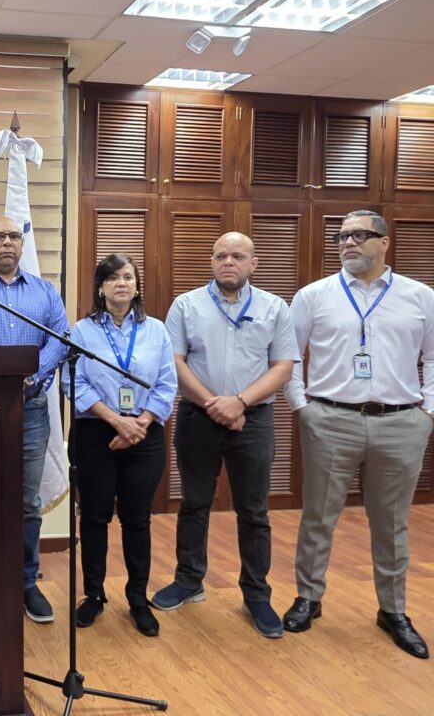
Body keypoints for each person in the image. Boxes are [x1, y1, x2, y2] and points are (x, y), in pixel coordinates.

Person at [282, 210, 434, 659]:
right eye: (342, 236)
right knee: (318, 515)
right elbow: (290, 356)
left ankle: (393, 610)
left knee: (392, 522)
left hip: (401, 422)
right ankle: (309, 597)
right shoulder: (313, 296)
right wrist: (303, 407)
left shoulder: (420, 297)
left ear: (384, 242)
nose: (348, 243)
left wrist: (427, 412)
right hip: (330, 419)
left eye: (360, 235)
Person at [150, 232, 298, 639]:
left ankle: (256, 594)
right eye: (220, 256)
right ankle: (188, 580)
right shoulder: (186, 305)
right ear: (212, 262)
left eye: (237, 256)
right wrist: (216, 405)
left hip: (254, 420)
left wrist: (239, 403)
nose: (228, 262)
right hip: (197, 417)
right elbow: (174, 361)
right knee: (194, 503)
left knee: (254, 510)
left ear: (254, 264)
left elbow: (283, 367)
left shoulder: (274, 307)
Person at [0, 216, 68, 623]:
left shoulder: (45, 291)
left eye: (14, 236)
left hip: (31, 408)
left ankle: (25, 582)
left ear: (22, 244)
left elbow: (59, 338)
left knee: (26, 500)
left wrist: (33, 374)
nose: (7, 242)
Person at [63, 253, 177, 636]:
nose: (121, 284)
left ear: (137, 285)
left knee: (137, 518)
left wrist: (140, 423)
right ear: (101, 288)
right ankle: (94, 595)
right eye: (112, 278)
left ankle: (138, 599)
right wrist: (116, 421)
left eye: (128, 277)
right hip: (96, 433)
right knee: (94, 516)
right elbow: (73, 382)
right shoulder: (82, 331)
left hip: (145, 434)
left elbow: (167, 383)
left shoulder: (156, 330)